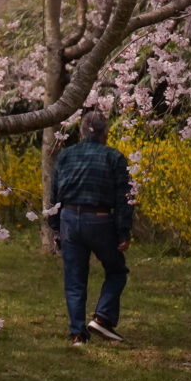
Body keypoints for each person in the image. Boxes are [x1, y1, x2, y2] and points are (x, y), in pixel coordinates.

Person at [50, 110, 133, 347]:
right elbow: (125, 198)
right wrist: (123, 232)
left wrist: (56, 229)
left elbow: (54, 196)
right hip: (99, 220)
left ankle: (77, 335)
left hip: (68, 218)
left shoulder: (65, 156)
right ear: (106, 133)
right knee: (116, 270)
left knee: (75, 279)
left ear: (81, 131)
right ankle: (102, 317)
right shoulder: (114, 158)